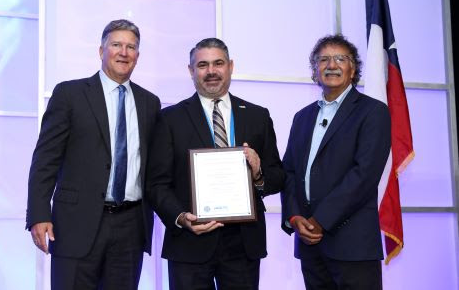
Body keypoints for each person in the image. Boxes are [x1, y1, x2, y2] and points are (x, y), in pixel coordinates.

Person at [26, 19, 161, 289]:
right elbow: (45, 159)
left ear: (137, 56)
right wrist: (39, 214)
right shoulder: (70, 94)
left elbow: (155, 166)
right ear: (101, 51)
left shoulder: (150, 103)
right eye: (116, 45)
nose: (124, 52)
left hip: (130, 227)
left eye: (131, 47)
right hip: (77, 224)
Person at [146, 37, 284, 289]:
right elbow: (156, 184)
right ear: (191, 71)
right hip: (189, 241)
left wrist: (259, 173)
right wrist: (180, 217)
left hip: (243, 244)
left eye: (218, 63)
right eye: (202, 65)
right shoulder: (169, 118)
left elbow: (278, 176)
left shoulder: (257, 116)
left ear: (230, 66)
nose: (211, 71)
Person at [281, 34, 391, 290]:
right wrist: (296, 216)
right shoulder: (302, 117)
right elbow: (289, 172)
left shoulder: (373, 112)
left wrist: (320, 220)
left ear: (353, 69)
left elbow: (364, 175)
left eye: (341, 58)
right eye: (324, 59)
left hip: (352, 245)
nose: (332, 65)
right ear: (314, 70)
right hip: (309, 244)